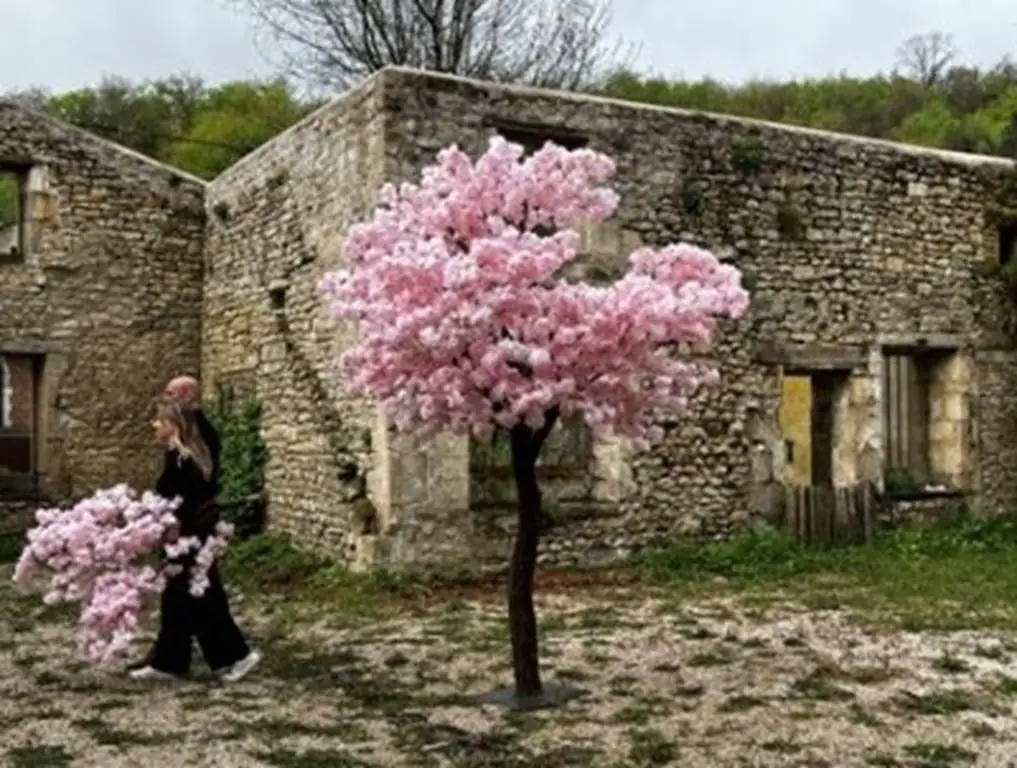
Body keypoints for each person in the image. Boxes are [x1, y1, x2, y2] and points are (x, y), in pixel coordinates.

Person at [129, 397, 260, 682]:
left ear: (172, 425)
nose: (153, 425)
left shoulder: (182, 459)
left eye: (159, 421)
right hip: (185, 538)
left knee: (204, 599)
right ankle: (169, 662)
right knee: (177, 600)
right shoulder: (179, 456)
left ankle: (238, 655)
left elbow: (188, 499)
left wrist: (169, 521)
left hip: (190, 539)